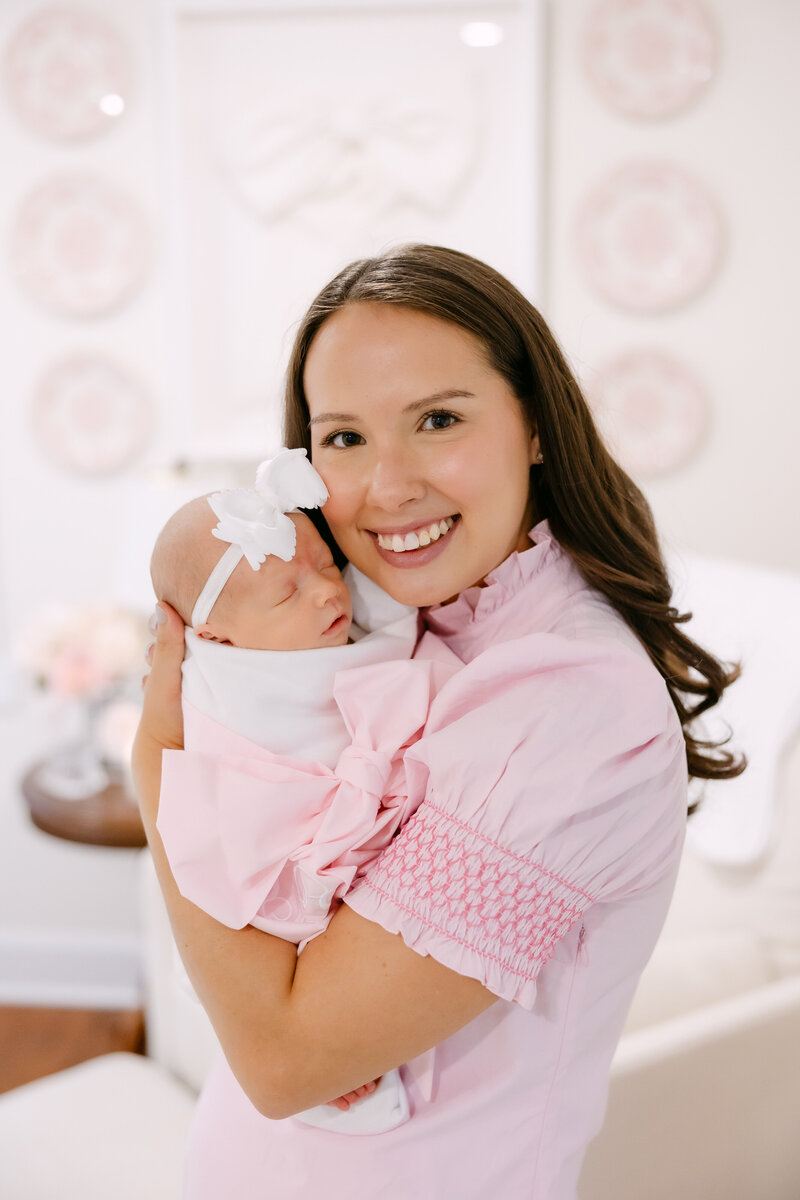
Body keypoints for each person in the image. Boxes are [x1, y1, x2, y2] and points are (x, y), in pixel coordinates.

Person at [134, 244, 743, 1199]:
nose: (387, 486)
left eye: (439, 420)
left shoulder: (566, 704)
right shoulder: (393, 618)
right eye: (343, 439)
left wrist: (158, 768)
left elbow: (288, 1062)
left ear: (535, 425)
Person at [149, 448, 454, 1133]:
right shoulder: (223, 686)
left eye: (325, 566)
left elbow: (389, 619)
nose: (327, 593)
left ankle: (343, 1049)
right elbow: (213, 808)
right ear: (213, 635)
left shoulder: (358, 620)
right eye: (288, 593)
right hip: (273, 853)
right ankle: (333, 1066)